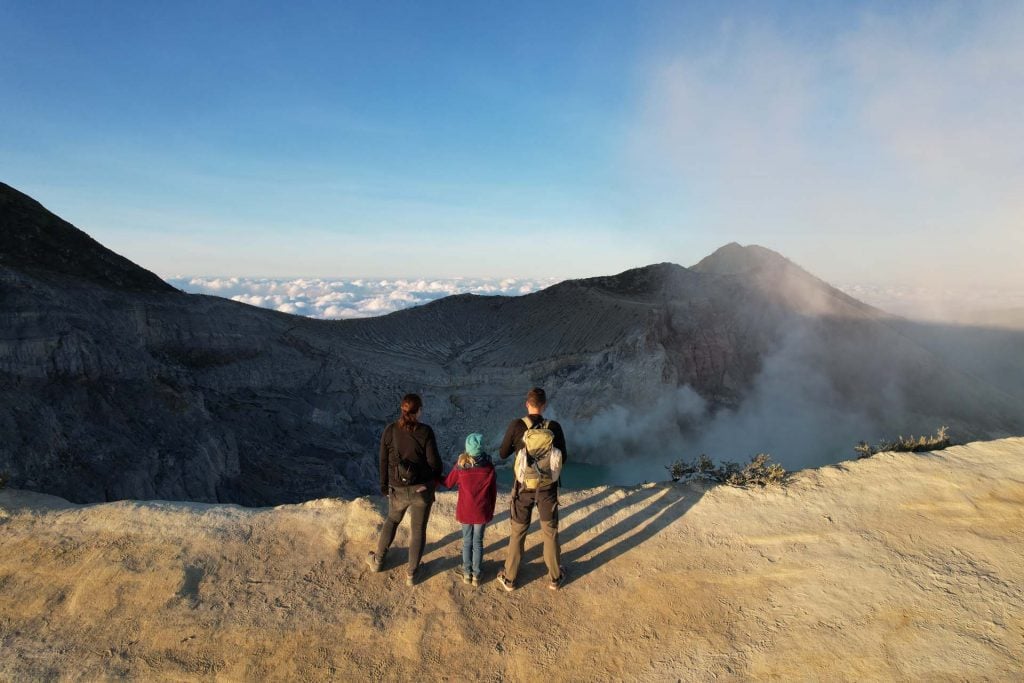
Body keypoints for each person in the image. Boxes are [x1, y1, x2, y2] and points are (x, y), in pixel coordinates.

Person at [496, 387, 568, 591]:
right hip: (547, 488)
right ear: (544, 405)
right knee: (550, 532)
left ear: (527, 404)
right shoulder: (554, 427)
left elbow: (502, 454)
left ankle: (509, 578)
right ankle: (555, 577)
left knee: (518, 532)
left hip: (523, 488)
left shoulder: (517, 425)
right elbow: (564, 457)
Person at [366, 393, 442, 586]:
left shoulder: (390, 430)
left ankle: (378, 561)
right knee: (417, 530)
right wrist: (431, 481)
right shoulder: (425, 432)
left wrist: (384, 485)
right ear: (418, 412)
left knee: (392, 520)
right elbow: (435, 464)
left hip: (397, 489)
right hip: (421, 491)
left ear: (402, 410)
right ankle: (412, 574)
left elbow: (383, 459)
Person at [443, 433, 497, 587]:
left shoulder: (460, 467)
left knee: (467, 542)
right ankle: (477, 575)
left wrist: (434, 477)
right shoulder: (489, 467)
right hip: (481, 512)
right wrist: (490, 511)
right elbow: (493, 492)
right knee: (478, 542)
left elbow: (448, 484)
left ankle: (467, 573)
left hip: (465, 512)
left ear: (467, 449)